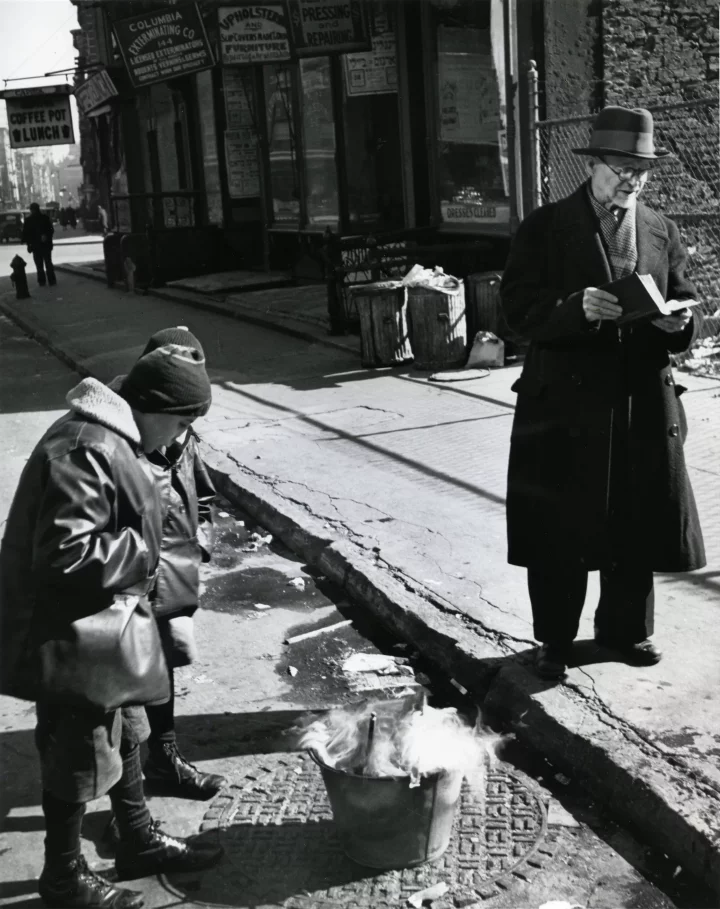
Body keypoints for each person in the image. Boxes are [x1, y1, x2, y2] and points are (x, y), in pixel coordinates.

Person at [0, 342, 223, 909]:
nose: (177, 437)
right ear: (150, 406)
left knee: (128, 733)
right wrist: (145, 551)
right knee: (77, 755)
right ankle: (62, 880)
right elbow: (66, 553)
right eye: (178, 421)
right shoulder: (85, 448)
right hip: (72, 634)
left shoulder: (114, 438)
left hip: (106, 626)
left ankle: (137, 839)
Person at [500, 106, 706, 681]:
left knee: (635, 521)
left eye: (640, 171)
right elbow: (515, 310)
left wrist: (680, 325)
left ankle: (626, 631)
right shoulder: (544, 226)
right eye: (619, 168)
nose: (630, 181)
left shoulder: (661, 229)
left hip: (641, 397)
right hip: (565, 402)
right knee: (561, 527)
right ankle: (555, 641)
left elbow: (688, 301)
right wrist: (574, 309)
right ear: (593, 165)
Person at [107, 328, 226, 818]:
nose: (184, 426)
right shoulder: (118, 436)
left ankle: (166, 758)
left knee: (162, 671)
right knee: (126, 701)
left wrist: (206, 534)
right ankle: (129, 814)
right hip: (132, 584)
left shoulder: (179, 429)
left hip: (173, 572)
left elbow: (201, 486)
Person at [22, 202, 56, 287]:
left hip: (36, 246)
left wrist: (28, 245)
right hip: (45, 245)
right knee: (48, 262)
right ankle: (51, 280)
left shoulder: (28, 220)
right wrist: (46, 236)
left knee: (39, 265)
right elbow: (51, 230)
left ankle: (42, 281)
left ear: (31, 210)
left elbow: (26, 234)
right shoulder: (45, 218)